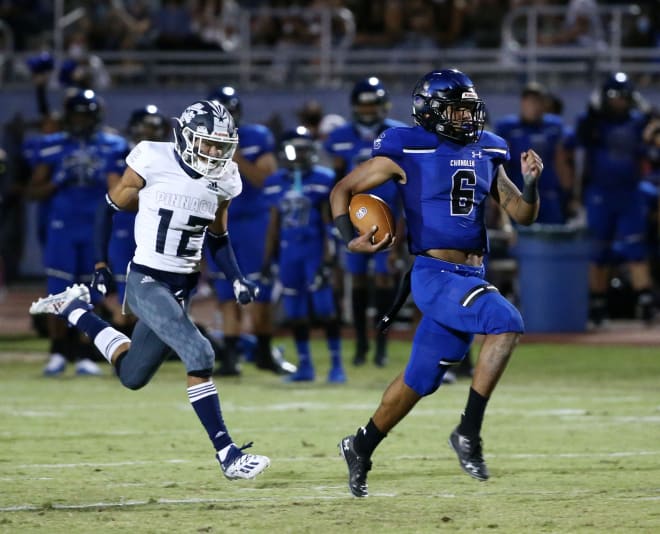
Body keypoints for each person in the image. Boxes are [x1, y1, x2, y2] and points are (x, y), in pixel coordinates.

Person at [29, 99, 271, 481]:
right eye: (207, 143)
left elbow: (219, 236)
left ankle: (74, 310)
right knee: (199, 350)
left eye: (220, 146)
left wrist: (237, 277)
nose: (214, 153)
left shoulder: (227, 177)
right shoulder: (151, 159)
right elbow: (106, 209)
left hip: (182, 286)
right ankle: (227, 452)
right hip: (146, 279)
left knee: (133, 374)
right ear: (186, 136)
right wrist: (100, 265)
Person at [330, 69, 544, 497]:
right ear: (430, 111)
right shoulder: (406, 146)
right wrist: (347, 238)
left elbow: (521, 214)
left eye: (469, 110)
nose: (466, 118)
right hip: (434, 273)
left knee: (421, 379)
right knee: (506, 320)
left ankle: (361, 444)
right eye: (456, 110)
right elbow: (344, 189)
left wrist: (532, 185)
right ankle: (468, 431)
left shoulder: (488, 148)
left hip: (471, 274)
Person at [26, 88, 128, 377]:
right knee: (57, 292)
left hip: (96, 226)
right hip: (62, 225)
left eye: (85, 115)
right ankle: (58, 352)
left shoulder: (114, 145)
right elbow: (34, 191)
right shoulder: (52, 146)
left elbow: (123, 190)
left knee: (91, 292)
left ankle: (84, 353)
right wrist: (57, 181)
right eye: (76, 115)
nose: (80, 121)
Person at [206, 86, 295, 376]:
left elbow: (266, 181)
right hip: (219, 221)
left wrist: (236, 157)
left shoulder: (256, 137)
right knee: (224, 292)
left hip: (253, 224)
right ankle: (231, 359)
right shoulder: (199, 141)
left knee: (259, 291)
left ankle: (264, 352)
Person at [324, 77, 405, 367]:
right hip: (354, 218)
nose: (369, 110)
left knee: (384, 279)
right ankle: (360, 344)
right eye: (364, 105)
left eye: (373, 104)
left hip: (388, 215)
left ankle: (381, 345)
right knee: (356, 281)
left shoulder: (398, 133)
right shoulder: (341, 136)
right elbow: (335, 183)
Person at [262, 127, 346, 383]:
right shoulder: (276, 181)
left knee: (325, 309)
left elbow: (328, 223)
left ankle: (336, 366)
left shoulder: (323, 178)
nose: (297, 155)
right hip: (289, 254)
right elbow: (274, 223)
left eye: (303, 149)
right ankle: (305, 366)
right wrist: (268, 259)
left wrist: (329, 259)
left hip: (314, 251)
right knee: (294, 310)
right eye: (292, 149)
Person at [574, 72, 655, 326]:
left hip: (629, 192)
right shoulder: (593, 123)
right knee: (598, 252)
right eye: (613, 96)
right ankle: (597, 302)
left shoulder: (639, 121)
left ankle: (645, 300)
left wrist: (650, 115)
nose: (619, 101)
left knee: (635, 250)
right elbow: (581, 138)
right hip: (600, 192)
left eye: (623, 96)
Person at [495, 82, 574, 224]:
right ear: (522, 103)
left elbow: (563, 161)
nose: (533, 106)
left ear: (544, 104)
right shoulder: (506, 127)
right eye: (530, 101)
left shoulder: (555, 126)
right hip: (518, 195)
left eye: (537, 101)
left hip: (549, 196)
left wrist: (570, 195)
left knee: (551, 240)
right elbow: (499, 165)